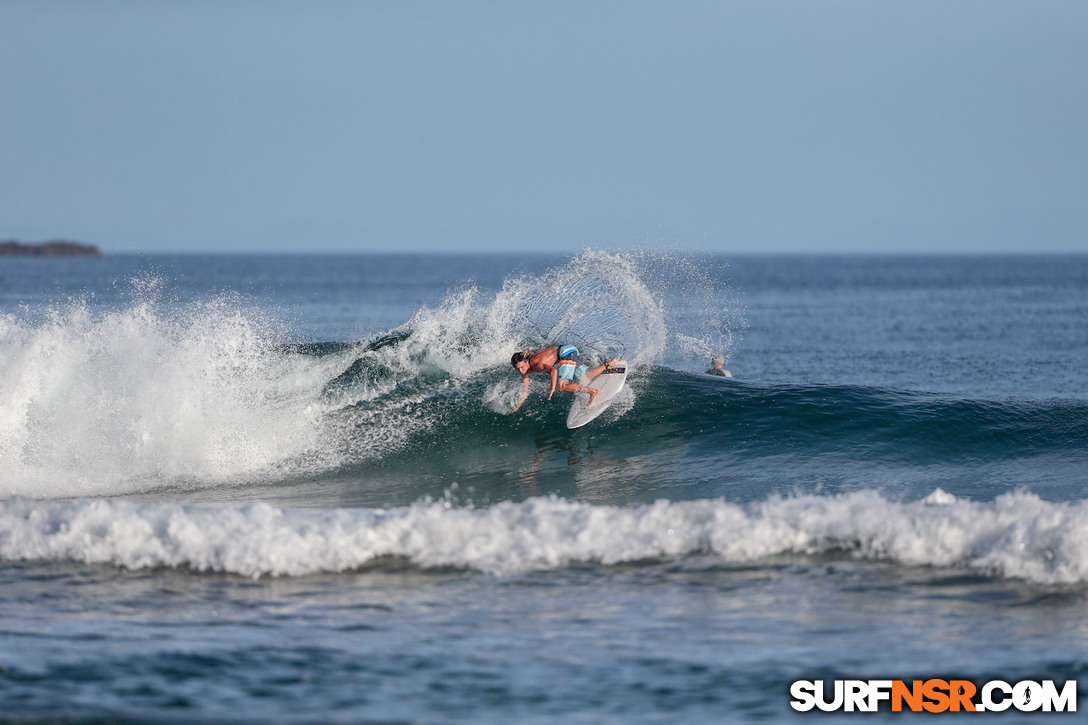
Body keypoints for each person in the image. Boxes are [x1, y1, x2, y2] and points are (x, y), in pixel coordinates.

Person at [509, 344, 618, 413]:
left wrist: (552, 389)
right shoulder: (524, 370)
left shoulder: (536, 364)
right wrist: (518, 406)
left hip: (565, 353)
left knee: (561, 387)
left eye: (522, 367)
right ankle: (609, 364)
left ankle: (593, 392)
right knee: (585, 377)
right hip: (570, 349)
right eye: (517, 369)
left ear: (526, 361)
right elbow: (525, 388)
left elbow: (553, 371)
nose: (521, 371)